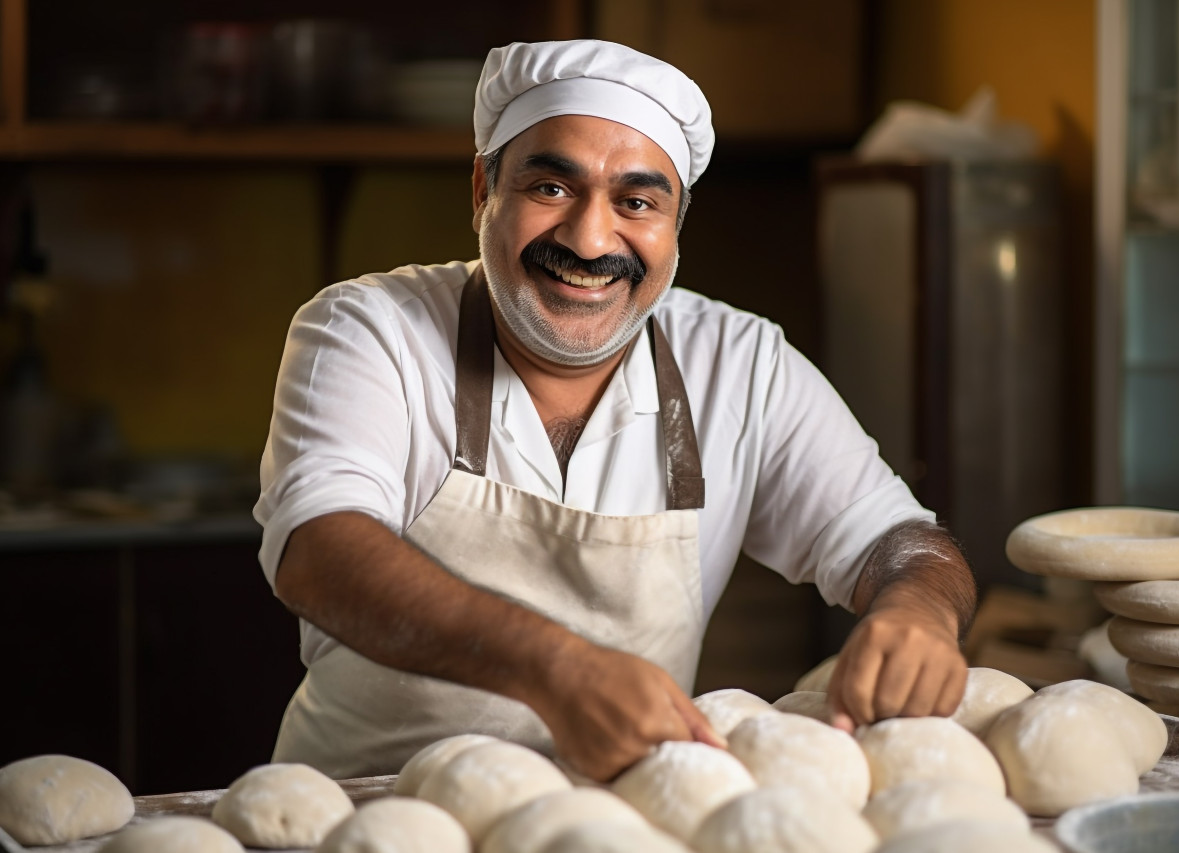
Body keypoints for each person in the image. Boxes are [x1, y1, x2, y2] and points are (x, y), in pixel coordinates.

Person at [254, 39, 977, 783]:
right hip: (367, 809)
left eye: (636, 201)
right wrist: (553, 665)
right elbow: (320, 547)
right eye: (551, 188)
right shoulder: (370, 329)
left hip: (611, 823)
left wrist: (918, 611)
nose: (591, 239)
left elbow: (901, 541)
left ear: (675, 225)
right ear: (482, 189)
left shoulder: (739, 364)